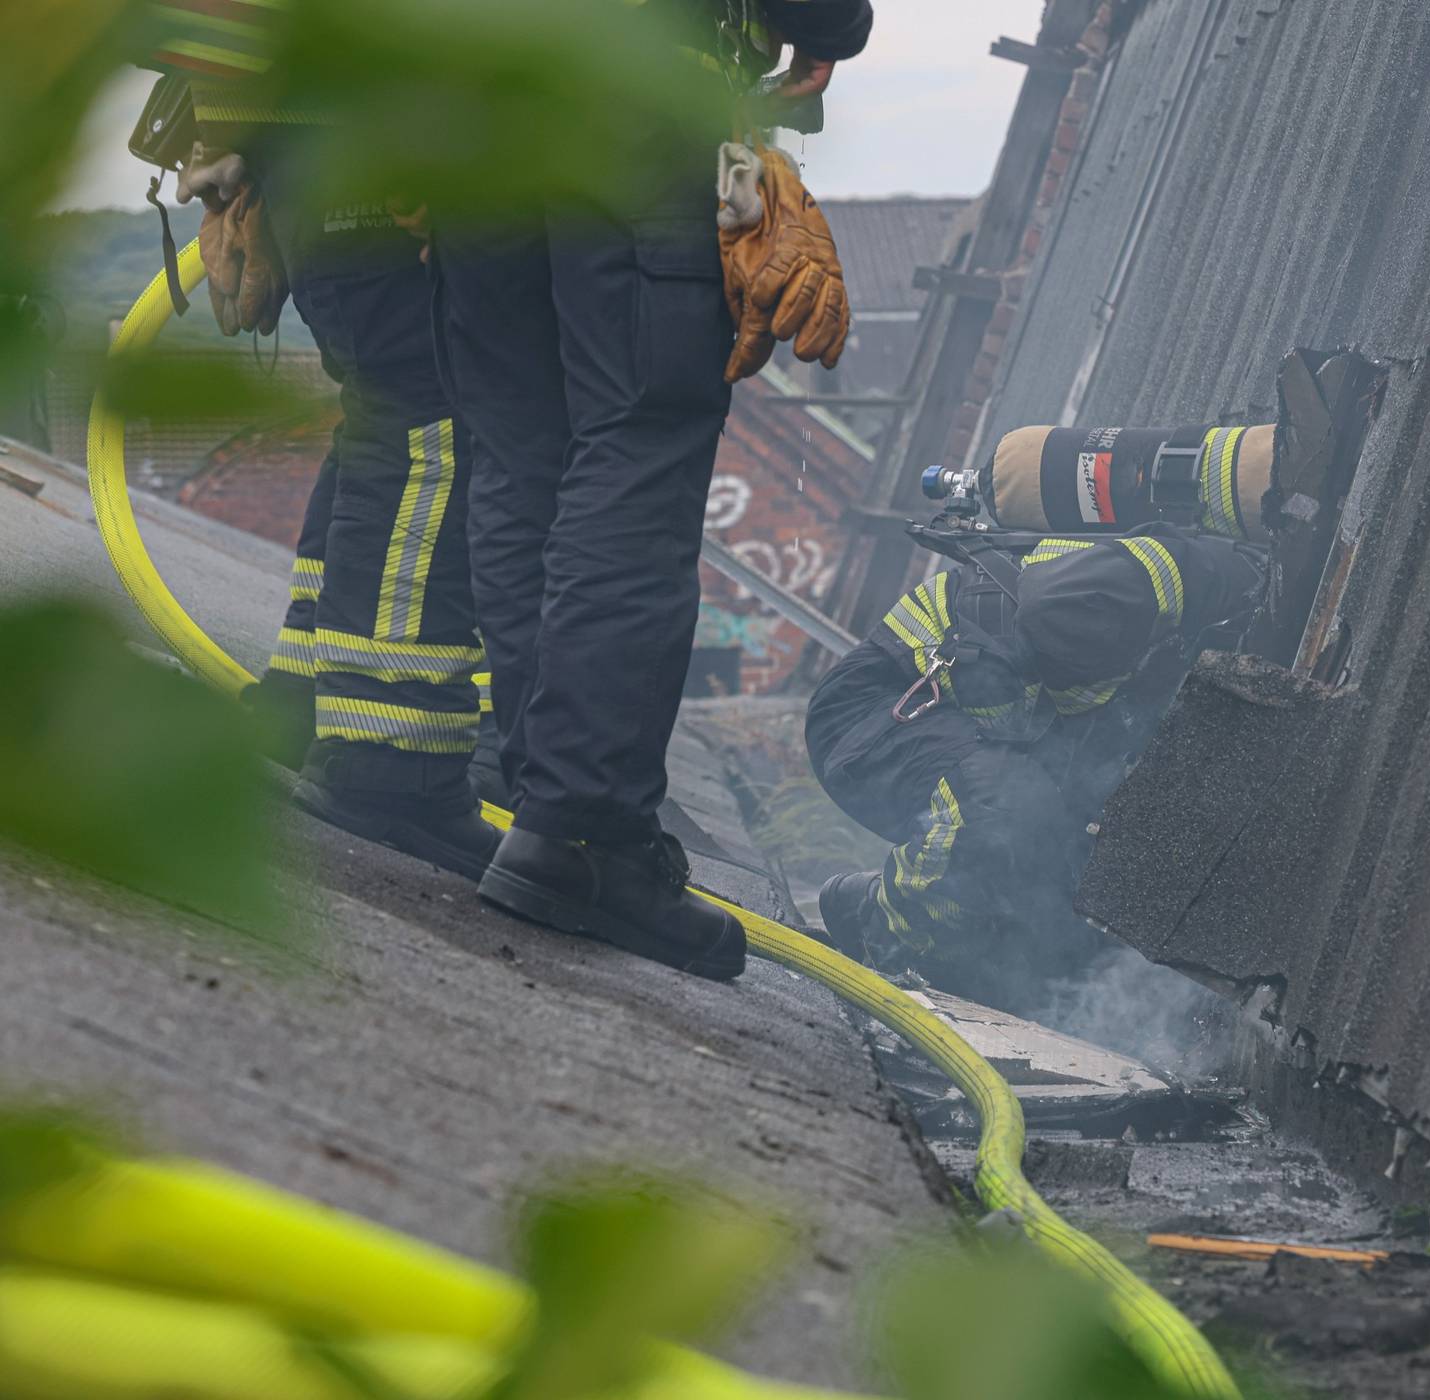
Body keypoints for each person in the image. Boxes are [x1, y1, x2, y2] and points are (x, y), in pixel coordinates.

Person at [433, 1, 869, 979]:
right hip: (630, 97)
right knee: (637, 445)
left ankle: (543, 792)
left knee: (519, 453)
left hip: (468, 111)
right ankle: (582, 833)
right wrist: (828, 26)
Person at [127, 70, 496, 880]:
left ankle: (305, 699)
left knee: (387, 419)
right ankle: (391, 756)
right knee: (431, 432)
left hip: (324, 160)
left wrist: (247, 152)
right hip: (380, 159)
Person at [806, 526, 1268, 1010]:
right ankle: (881, 927)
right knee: (1005, 809)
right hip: (879, 708)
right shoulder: (1207, 583)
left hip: (984, 744)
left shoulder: (1208, 655)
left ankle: (946, 947)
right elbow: (1052, 605)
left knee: (1060, 913)